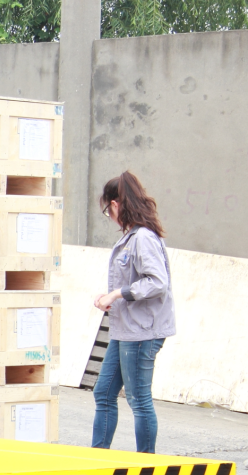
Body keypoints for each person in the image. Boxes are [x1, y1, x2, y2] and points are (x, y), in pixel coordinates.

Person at [90, 171, 175, 454]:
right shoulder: (131, 237)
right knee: (103, 392)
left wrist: (117, 293)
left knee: (139, 399)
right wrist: (109, 296)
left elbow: (157, 282)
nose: (110, 216)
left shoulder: (143, 238)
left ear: (115, 205)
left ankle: (146, 463)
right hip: (126, 329)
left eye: (108, 210)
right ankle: (98, 457)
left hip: (142, 332)